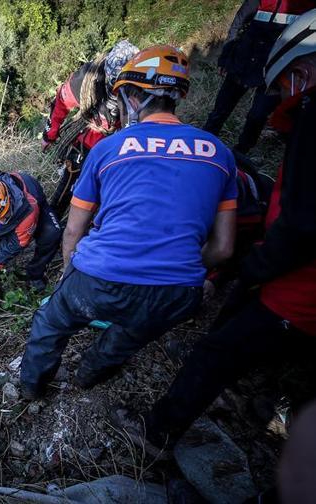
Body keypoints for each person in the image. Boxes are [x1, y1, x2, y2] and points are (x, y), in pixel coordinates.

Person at [118, 12, 316, 451]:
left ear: (301, 73)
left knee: (219, 353)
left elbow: (301, 223)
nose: (276, 102)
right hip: (278, 258)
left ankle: (157, 434)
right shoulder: (216, 161)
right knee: (237, 323)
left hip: (297, 284)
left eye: (281, 87)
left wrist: (254, 265)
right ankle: (256, 391)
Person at [19, 45, 238, 399]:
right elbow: (224, 248)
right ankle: (87, 376)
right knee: (132, 332)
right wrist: (173, 266)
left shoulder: (108, 149)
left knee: (52, 323)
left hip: (101, 276)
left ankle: (30, 388)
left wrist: (69, 274)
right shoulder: (220, 153)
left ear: (134, 96)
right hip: (177, 292)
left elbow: (74, 229)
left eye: (122, 99)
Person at [203, 0, 315, 153]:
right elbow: (239, 20)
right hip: (243, 62)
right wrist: (226, 56)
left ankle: (241, 154)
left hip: (275, 68)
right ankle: (203, 145)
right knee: (220, 110)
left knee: (257, 116)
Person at [42, 39, 140, 153]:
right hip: (90, 139)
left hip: (124, 141)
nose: (119, 92)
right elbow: (61, 104)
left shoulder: (145, 87)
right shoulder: (84, 82)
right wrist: (48, 136)